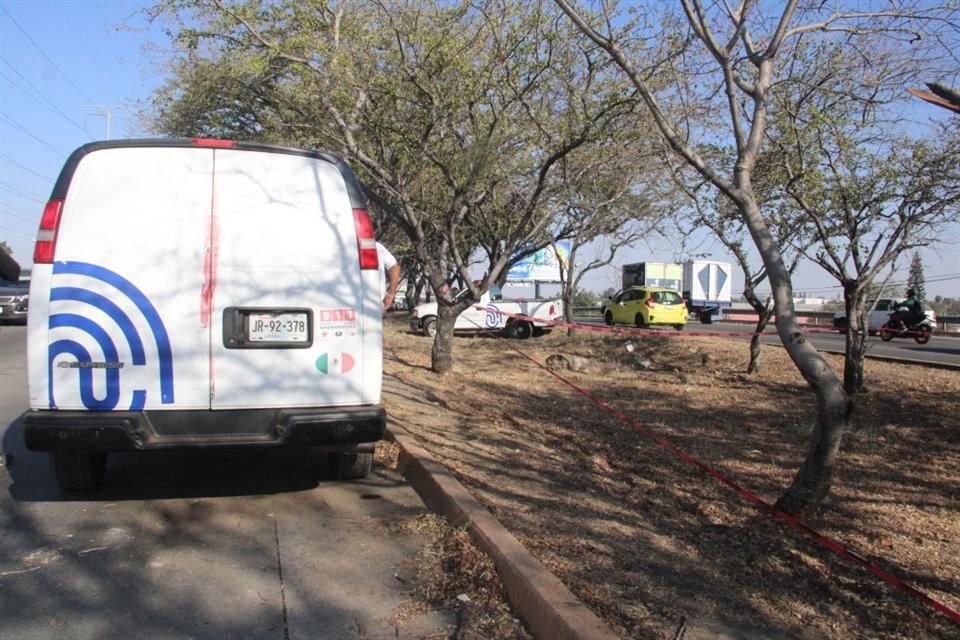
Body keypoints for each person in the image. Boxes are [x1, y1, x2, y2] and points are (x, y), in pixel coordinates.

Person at [376, 241, 401, 311]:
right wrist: (391, 294)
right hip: (374, 301)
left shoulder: (376, 246)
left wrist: (391, 293)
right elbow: (395, 268)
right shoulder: (375, 246)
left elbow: (395, 268)